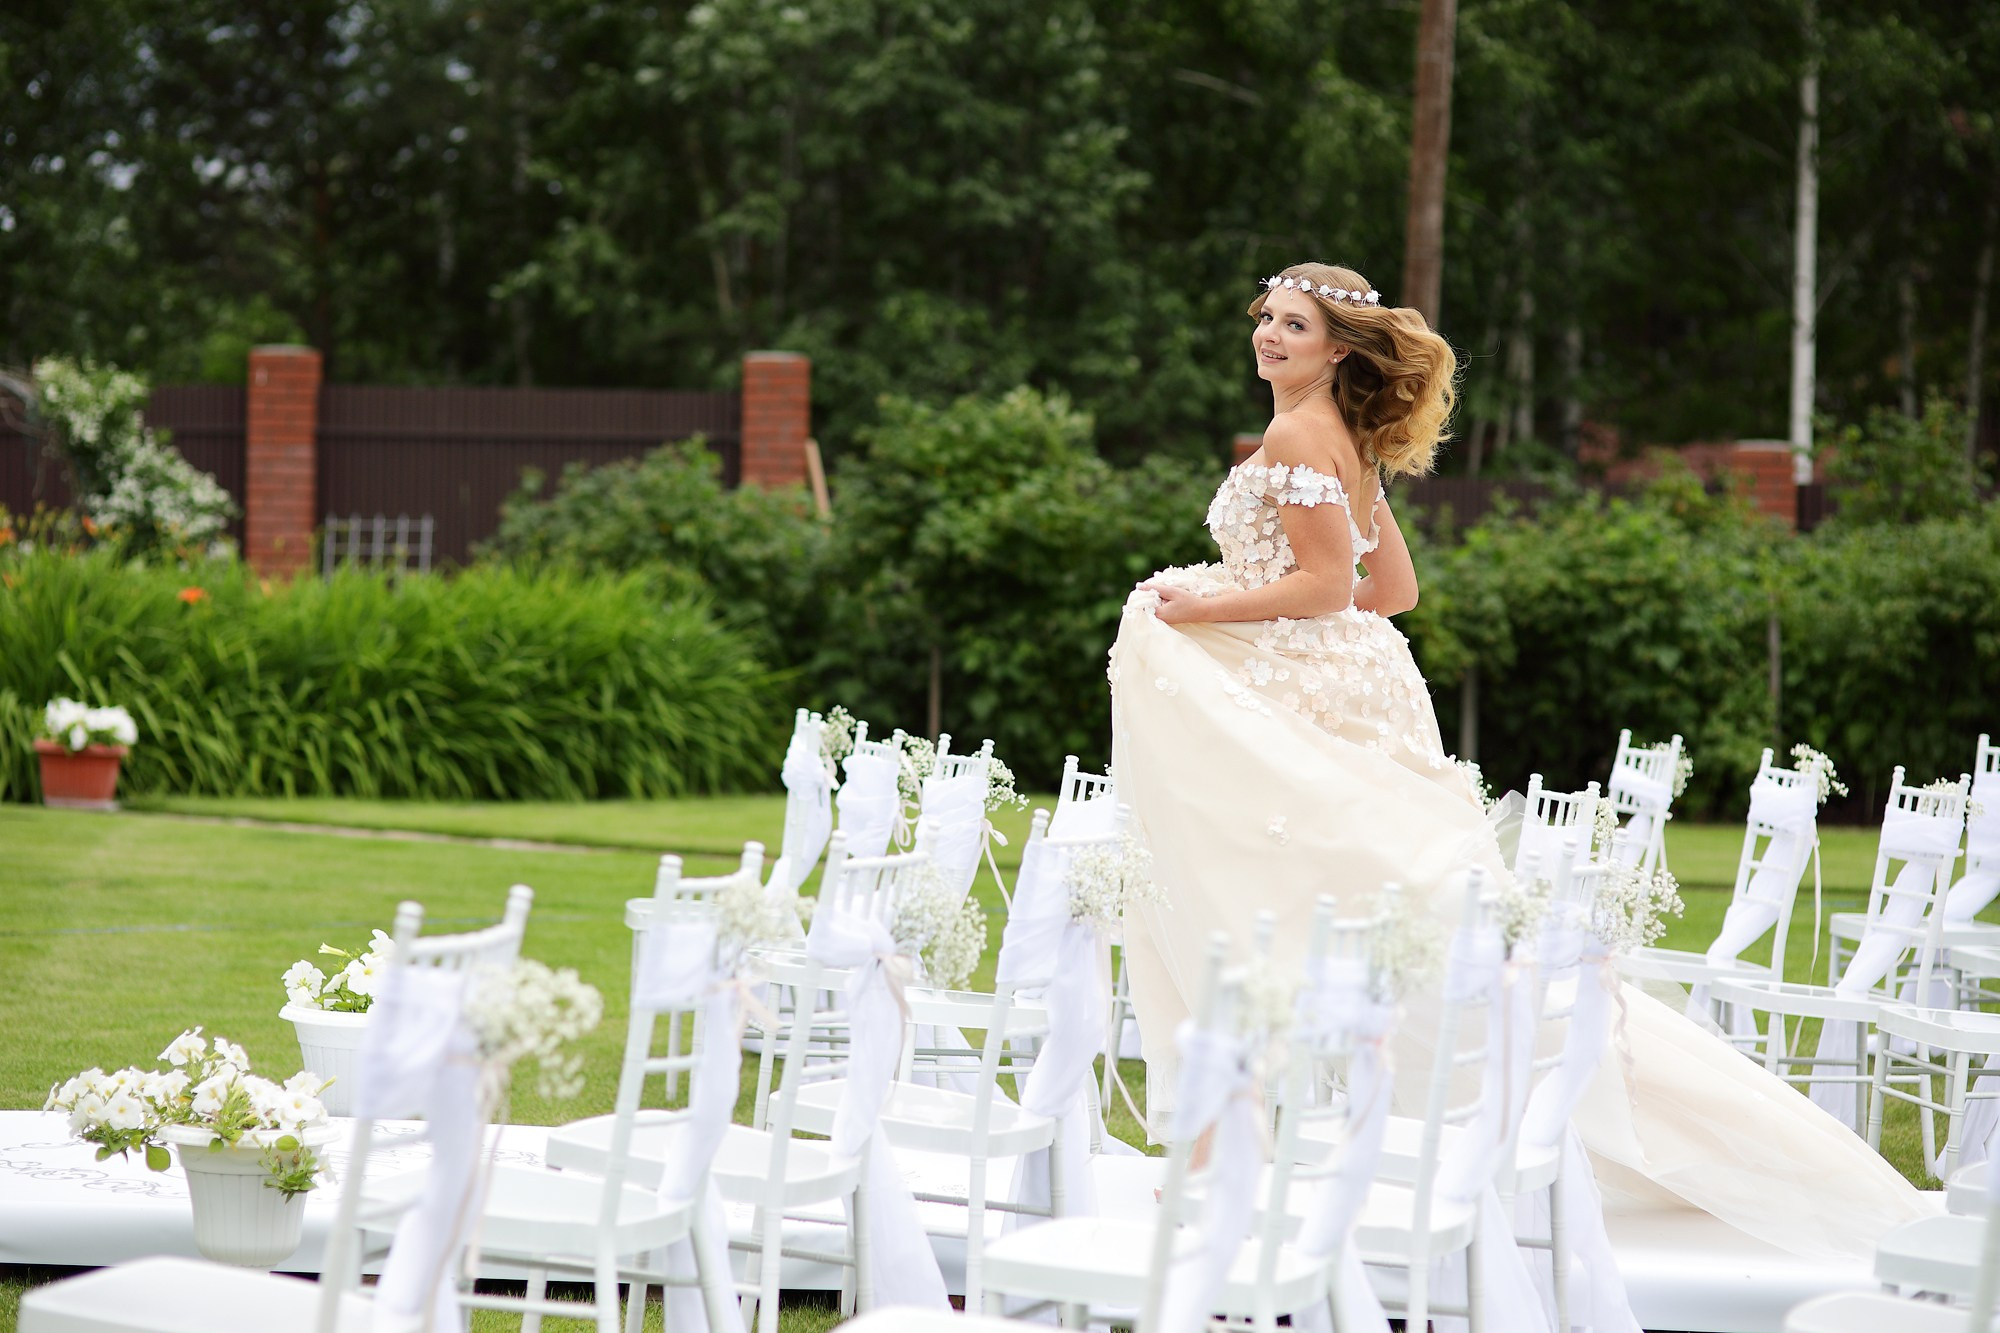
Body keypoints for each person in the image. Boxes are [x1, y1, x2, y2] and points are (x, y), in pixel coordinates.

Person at [1107, 261, 1930, 1263]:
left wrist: (1204, 611)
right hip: (1353, 695)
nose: (1269, 336)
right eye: (1266, 318)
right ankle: (1248, 1148)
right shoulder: (1348, 440)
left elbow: (1326, 588)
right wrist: (1274, 633)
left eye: (1295, 325)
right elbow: (1390, 594)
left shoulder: (1294, 436)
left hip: (1320, 702)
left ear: (1337, 349)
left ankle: (1235, 1151)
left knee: (1278, 897)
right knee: (1382, 917)